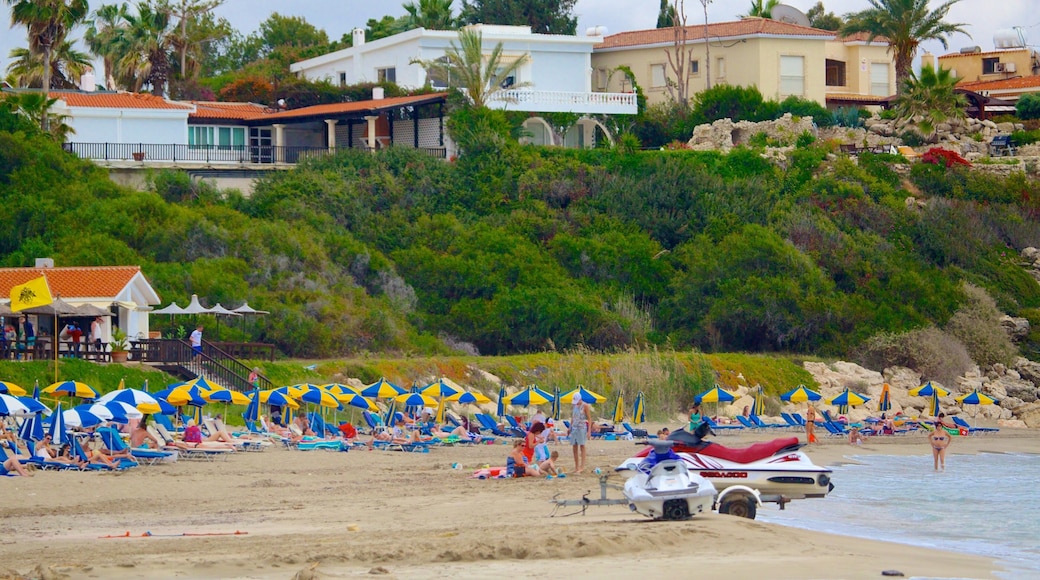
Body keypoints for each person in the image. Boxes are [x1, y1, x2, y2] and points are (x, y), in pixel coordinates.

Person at [568, 392, 591, 474]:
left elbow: (589, 419)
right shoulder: (575, 406)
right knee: (574, 446)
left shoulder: (585, 406)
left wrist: (589, 431)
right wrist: (569, 427)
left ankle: (582, 466)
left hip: (581, 428)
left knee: (582, 446)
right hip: (574, 427)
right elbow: (573, 417)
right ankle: (576, 466)